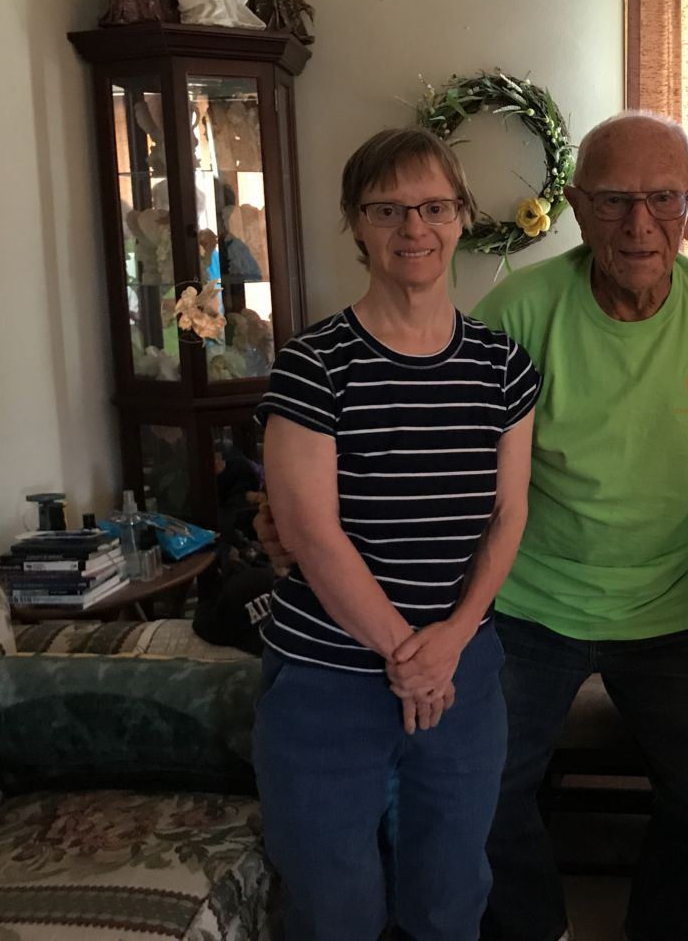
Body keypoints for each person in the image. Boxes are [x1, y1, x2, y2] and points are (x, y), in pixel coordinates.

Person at [471, 113, 688, 941]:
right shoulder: (519, 312)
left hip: (675, 608)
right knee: (480, 792)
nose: (639, 224)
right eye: (612, 201)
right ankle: (539, 930)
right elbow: (448, 446)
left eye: (662, 199)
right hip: (532, 602)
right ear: (574, 205)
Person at [252, 127, 539, 941]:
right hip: (326, 681)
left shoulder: (502, 367)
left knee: (450, 896)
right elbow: (310, 532)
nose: (414, 227)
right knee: (333, 904)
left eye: (434, 206)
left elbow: (508, 514)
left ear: (461, 217)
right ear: (356, 224)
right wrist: (406, 658)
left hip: (463, 674)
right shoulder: (314, 363)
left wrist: (449, 640)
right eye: (389, 209)